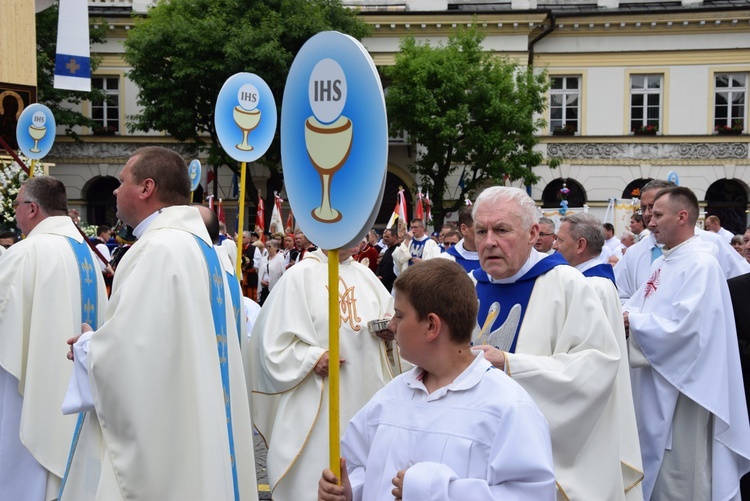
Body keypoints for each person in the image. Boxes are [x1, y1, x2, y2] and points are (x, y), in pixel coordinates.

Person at [61, 146, 257, 500]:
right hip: (194, 418)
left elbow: (132, 355)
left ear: (146, 187)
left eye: (122, 181)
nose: (116, 191)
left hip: (169, 432)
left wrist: (89, 346)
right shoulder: (201, 249)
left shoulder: (157, 249)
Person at [318, 259, 556, 501]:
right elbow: (360, 466)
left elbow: (530, 493)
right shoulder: (391, 396)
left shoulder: (507, 407)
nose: (391, 325)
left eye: (399, 315)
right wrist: (348, 492)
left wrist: (437, 491)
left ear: (431, 325)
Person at [469, 186, 642, 500]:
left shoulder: (567, 284)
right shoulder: (465, 288)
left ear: (533, 232)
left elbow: (597, 366)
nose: (489, 241)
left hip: (548, 464)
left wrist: (510, 365)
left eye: (502, 230)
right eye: (481, 231)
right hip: (473, 456)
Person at [623, 186, 750, 500]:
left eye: (657, 215)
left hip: (686, 392)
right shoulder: (663, 263)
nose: (649, 221)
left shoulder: (701, 265)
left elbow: (689, 332)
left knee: (680, 477)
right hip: (656, 384)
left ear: (682, 217)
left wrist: (632, 322)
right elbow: (638, 306)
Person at [249, 244, 401, 501]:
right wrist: (311, 358)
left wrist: (391, 331)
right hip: (316, 404)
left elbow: (397, 325)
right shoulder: (299, 276)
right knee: (310, 482)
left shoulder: (367, 277)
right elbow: (271, 345)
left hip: (365, 396)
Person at [0, 176, 108, 500]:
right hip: (78, 393)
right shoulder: (89, 257)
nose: (16, 215)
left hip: (29, 391)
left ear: (32, 209)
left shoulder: (25, 253)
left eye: (17, 206)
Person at [615, 180, 750, 304]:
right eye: (643, 208)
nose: (647, 214)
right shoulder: (634, 252)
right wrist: (632, 317)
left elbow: (742, 283)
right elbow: (620, 294)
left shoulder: (712, 244)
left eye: (655, 208)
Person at [554, 212, 615, 282]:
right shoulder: (579, 276)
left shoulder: (592, 284)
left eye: (560, 240)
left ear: (580, 245)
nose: (554, 246)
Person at [437, 205, 481, 272]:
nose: (488, 232)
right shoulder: (444, 261)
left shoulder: (497, 257)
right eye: (480, 228)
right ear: (464, 229)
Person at [259, 239, 284, 305]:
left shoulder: (280, 259)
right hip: (264, 288)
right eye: (266, 246)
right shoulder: (263, 259)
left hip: (275, 288)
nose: (267, 248)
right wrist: (261, 281)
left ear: (276, 247)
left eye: (269, 246)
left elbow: (283, 273)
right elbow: (260, 272)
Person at [375, 227, 398, 292]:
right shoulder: (387, 250)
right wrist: (377, 275)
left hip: (392, 285)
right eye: (384, 237)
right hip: (383, 284)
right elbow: (381, 265)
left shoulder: (398, 250)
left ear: (395, 237)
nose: (385, 239)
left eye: (387, 237)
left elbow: (394, 268)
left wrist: (383, 279)